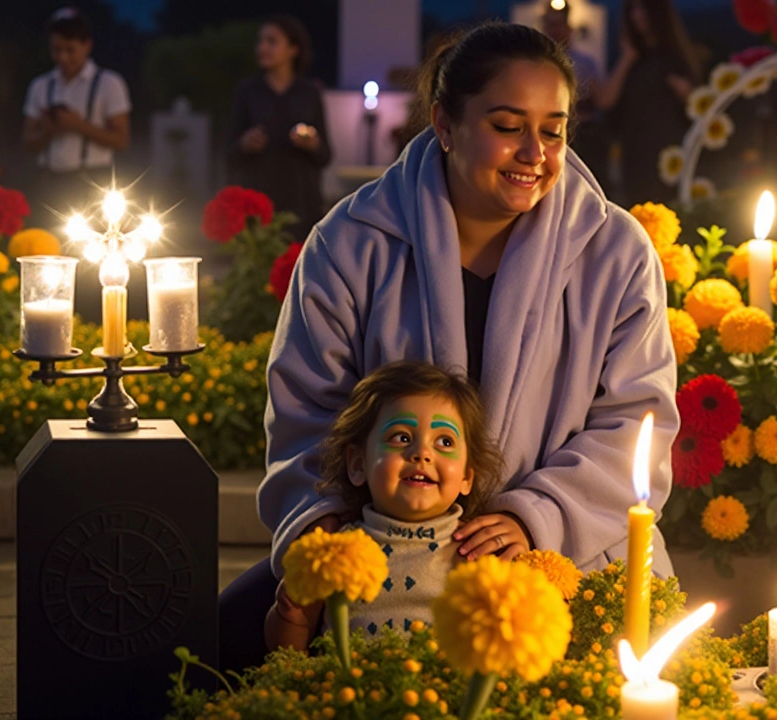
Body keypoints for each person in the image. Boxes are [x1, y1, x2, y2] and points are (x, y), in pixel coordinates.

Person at [218, 22, 678, 672]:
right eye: (508, 124)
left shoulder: (616, 252)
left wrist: (534, 518)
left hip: (568, 557)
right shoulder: (350, 243)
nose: (534, 153)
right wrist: (331, 540)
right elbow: (306, 414)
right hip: (385, 557)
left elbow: (637, 423)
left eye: (553, 129)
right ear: (445, 123)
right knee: (217, 648)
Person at [265, 361, 501, 650]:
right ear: (357, 464)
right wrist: (290, 613)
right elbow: (289, 647)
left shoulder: (476, 554)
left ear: (466, 476)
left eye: (444, 441)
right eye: (401, 437)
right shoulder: (336, 551)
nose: (422, 453)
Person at [227, 15, 331, 238]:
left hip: (302, 205)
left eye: (272, 41)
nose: (262, 47)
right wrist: (246, 144)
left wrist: (312, 144)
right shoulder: (247, 92)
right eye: (260, 41)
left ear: (293, 49)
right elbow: (230, 153)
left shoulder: (309, 93)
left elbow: (326, 155)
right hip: (259, 203)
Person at [21, 8, 131, 219]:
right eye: (56, 50)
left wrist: (78, 125)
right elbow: (27, 142)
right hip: (49, 182)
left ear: (87, 45)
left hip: (94, 182)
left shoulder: (109, 83)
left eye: (70, 50)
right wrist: (49, 131)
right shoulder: (41, 86)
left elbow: (122, 140)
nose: (63, 57)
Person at [594, 0, 699, 204]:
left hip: (669, 152)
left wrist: (684, 91)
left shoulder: (674, 56)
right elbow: (605, 101)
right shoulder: (630, 57)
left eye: (642, 8)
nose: (637, 15)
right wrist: (627, 58)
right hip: (635, 150)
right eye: (632, 9)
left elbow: (696, 103)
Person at [541, 1, 610, 192]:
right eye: (551, 25)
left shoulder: (585, 62)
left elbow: (602, 99)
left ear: (569, 28)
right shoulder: (536, 65)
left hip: (584, 135)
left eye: (559, 25)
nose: (555, 30)